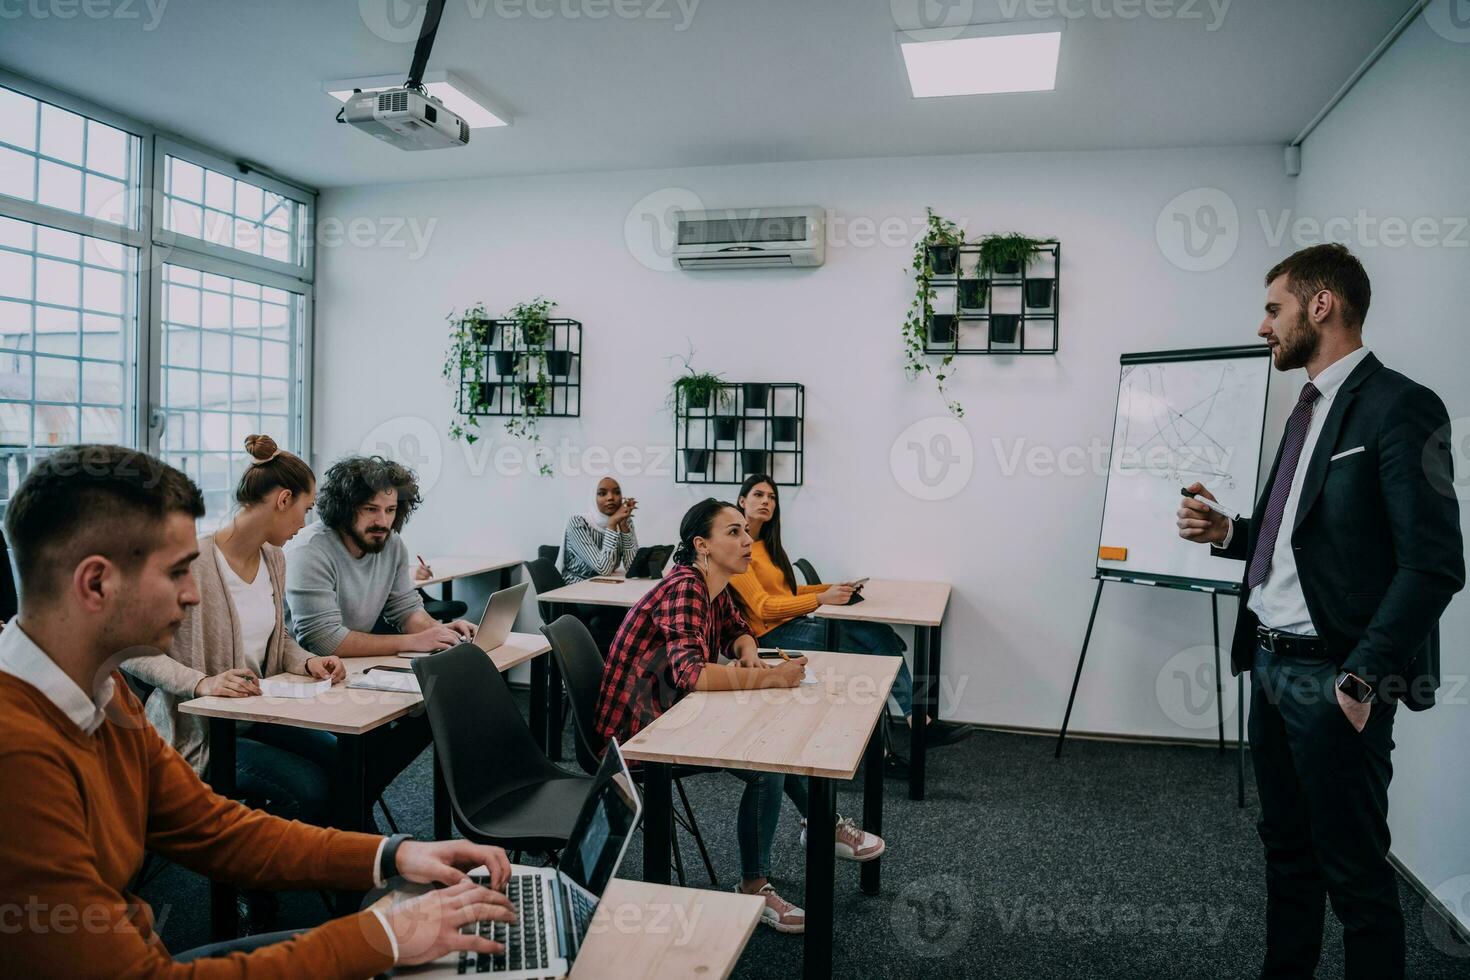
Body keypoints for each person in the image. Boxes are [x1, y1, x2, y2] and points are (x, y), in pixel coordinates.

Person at [0, 444, 518, 974]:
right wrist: (380, 938)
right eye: (178, 572)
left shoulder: (103, 692)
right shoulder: (18, 754)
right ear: (96, 583)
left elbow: (214, 828)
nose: (194, 595)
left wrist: (391, 855)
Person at [1175, 243, 1463, 980]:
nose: (1264, 324)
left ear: (1321, 304)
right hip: (1269, 667)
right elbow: (1311, 538)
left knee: (1358, 879)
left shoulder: (1403, 406)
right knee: (1286, 857)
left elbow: (1432, 564)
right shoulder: (1306, 407)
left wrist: (1363, 679)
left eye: (1274, 308)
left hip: (1337, 683)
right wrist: (1231, 533)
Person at [594, 498, 886, 935]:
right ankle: (754, 885)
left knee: (774, 744)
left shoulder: (714, 585)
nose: (747, 540)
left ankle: (820, 825)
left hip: (671, 711)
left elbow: (735, 631)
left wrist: (748, 653)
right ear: (702, 545)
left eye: (744, 532)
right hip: (640, 735)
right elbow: (690, 674)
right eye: (733, 532)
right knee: (764, 768)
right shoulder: (685, 587)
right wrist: (772, 679)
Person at [124, 435, 344, 828]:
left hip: (262, 716)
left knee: (344, 760)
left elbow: (276, 640)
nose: (303, 523)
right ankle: (247, 882)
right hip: (204, 736)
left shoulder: (274, 558)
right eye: (305, 510)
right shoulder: (190, 561)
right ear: (282, 500)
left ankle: (355, 866)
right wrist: (202, 682)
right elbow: (130, 649)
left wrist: (309, 662)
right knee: (308, 789)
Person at [284, 454, 476, 826]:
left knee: (437, 706)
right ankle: (353, 816)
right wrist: (414, 643)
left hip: (356, 675)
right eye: (371, 509)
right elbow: (323, 641)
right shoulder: (311, 550)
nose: (382, 521)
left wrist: (437, 631)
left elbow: (406, 610)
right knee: (363, 753)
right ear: (343, 508)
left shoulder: (391, 546)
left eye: (390, 509)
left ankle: (351, 809)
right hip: (306, 684)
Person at [728, 474, 969, 769]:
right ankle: (910, 728)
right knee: (876, 647)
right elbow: (764, 608)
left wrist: (833, 589)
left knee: (879, 635)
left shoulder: (768, 545)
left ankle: (908, 727)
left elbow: (788, 591)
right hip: (773, 636)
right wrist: (822, 599)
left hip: (795, 623)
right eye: (758, 495)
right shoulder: (739, 550)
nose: (766, 501)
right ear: (742, 501)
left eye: (772, 497)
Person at [559, 476, 639, 648]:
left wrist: (624, 525)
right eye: (602, 493)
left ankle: (619, 666)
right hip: (579, 593)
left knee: (635, 615)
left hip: (607, 590)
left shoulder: (622, 520)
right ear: (593, 498)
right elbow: (603, 568)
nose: (611, 498)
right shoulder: (578, 522)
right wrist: (612, 525)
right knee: (622, 616)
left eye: (617, 492)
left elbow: (632, 566)